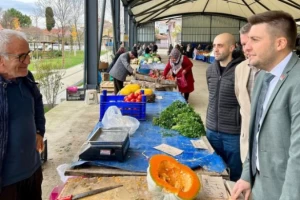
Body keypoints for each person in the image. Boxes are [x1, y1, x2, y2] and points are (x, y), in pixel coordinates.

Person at [232, 11, 300, 200]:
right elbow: (256, 133)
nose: (247, 47)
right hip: (258, 185)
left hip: (284, 191)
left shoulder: (297, 82)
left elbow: (298, 157)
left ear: (280, 43)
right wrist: (247, 175)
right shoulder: (263, 76)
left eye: (255, 39)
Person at [0, 29, 46, 199]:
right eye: (21, 56)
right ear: (1, 60)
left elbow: (38, 102)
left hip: (32, 172)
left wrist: (40, 130)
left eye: (28, 54)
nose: (28, 61)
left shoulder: (26, 77)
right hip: (6, 184)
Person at [206, 33, 244, 181]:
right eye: (214, 45)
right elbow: (212, 96)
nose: (215, 49)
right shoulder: (210, 70)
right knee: (214, 172)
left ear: (231, 47)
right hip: (211, 131)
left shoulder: (241, 70)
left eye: (220, 46)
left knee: (234, 173)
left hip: (232, 134)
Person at [234, 23, 260, 164]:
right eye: (243, 44)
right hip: (247, 146)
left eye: (252, 42)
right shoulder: (240, 69)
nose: (246, 49)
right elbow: (241, 100)